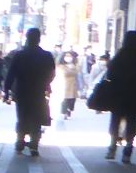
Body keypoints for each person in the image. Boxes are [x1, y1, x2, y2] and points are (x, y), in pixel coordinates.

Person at [97, 31, 136, 160]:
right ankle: (128, 150)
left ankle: (112, 148)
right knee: (132, 121)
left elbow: (110, 73)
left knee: (115, 121)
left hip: (118, 95)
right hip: (135, 95)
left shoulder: (120, 56)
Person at [5, 27, 56, 156]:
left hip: (22, 90)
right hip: (38, 91)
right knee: (36, 117)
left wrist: (6, 91)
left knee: (22, 116)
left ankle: (20, 141)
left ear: (27, 38)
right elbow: (51, 73)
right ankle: (34, 144)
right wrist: (46, 84)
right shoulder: (46, 55)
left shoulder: (19, 55)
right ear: (39, 39)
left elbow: (11, 74)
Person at [57, 51, 80, 120]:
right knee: (65, 100)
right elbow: (66, 73)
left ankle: (69, 110)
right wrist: (72, 69)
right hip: (64, 85)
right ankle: (65, 112)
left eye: (70, 56)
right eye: (66, 56)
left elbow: (77, 72)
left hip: (73, 85)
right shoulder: (61, 66)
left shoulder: (75, 65)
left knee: (72, 100)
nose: (68, 58)